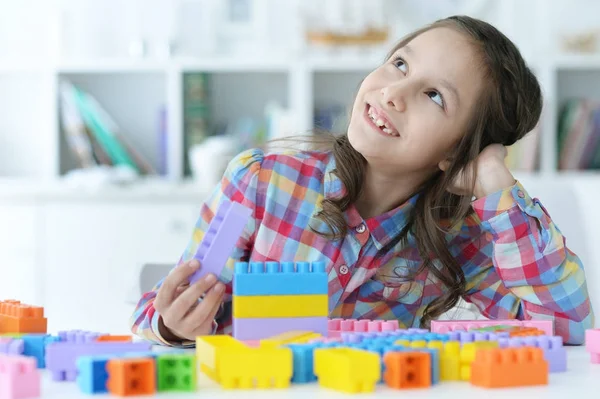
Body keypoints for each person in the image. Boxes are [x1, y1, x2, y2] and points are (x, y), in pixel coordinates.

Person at [130, 15, 594, 347]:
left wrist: (496, 186)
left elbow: (565, 327)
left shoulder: (461, 237)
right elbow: (158, 312)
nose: (393, 93)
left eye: (433, 96)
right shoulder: (261, 182)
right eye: (399, 64)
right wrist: (174, 325)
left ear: (459, 150)